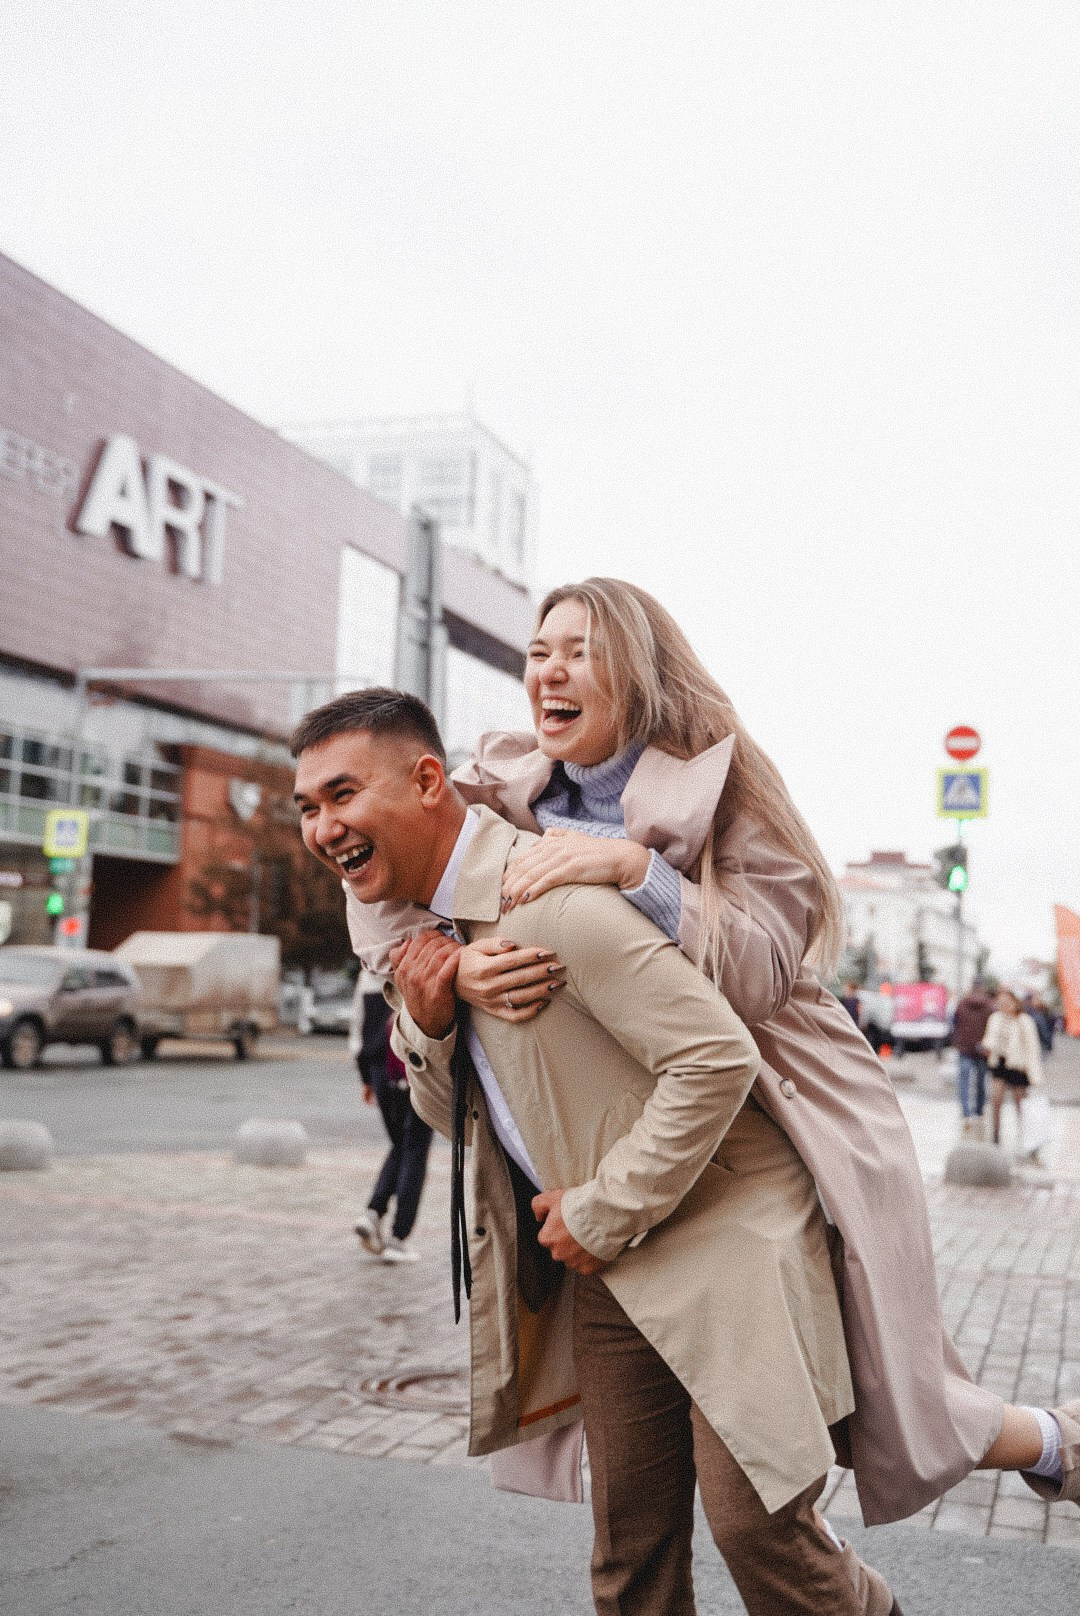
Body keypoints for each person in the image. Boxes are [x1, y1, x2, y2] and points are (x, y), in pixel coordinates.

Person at [344, 579, 1079, 1531]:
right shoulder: (509, 792)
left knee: (881, 1395)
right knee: (685, 1490)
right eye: (539, 652)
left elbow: (762, 972)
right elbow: (399, 888)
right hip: (634, 1148)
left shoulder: (722, 788)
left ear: (640, 672)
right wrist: (457, 972)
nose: (551, 671)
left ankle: (1056, 1442)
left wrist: (633, 868)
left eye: (581, 650)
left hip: (777, 1111)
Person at [292, 687, 904, 1616]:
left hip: (721, 1244)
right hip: (612, 1273)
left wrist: (601, 1208)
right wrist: (430, 1021)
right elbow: (454, 1118)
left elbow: (715, 1057)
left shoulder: (548, 898)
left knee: (760, 1532)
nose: (321, 826)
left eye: (340, 794)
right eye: (305, 806)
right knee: (629, 1554)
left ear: (426, 781)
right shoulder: (427, 937)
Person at [349, 970, 433, 1264]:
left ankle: (373, 1212)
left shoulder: (369, 970)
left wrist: (365, 1078)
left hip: (379, 1069)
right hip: (416, 1068)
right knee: (415, 1148)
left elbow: (358, 1024)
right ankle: (398, 1238)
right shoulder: (419, 958)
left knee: (400, 1144)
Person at [983, 987, 1045, 1155]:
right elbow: (989, 1039)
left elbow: (1032, 1049)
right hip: (999, 1063)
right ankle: (995, 1135)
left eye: (1007, 1002)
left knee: (1021, 1104)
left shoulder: (1024, 1020)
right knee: (996, 1101)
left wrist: (1034, 1074)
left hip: (1018, 1066)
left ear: (1015, 1002)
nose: (1004, 1005)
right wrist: (986, 1048)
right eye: (1001, 1002)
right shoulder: (995, 1018)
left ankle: (1029, 1138)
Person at [951, 979, 994, 1132]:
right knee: (981, 1081)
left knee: (963, 1081)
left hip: (964, 1048)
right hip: (983, 1049)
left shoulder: (962, 1003)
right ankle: (979, 1110)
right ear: (982, 988)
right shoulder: (990, 1005)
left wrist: (958, 1039)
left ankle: (965, 1111)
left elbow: (954, 1023)